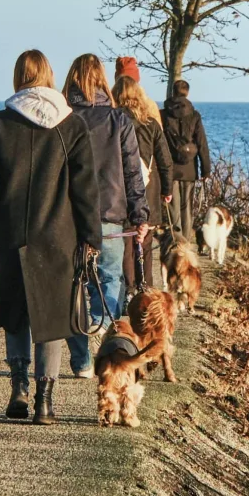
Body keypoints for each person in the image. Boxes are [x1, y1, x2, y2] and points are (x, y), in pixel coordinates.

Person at [0, 50, 101, 423]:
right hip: (59, 235)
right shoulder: (71, 125)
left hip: (12, 232)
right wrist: (89, 235)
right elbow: (85, 189)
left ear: (18, 77)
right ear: (48, 76)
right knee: (51, 317)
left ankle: (18, 389)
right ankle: (45, 399)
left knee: (16, 313)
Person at [60, 53, 148, 376]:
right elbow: (132, 174)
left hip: (69, 216)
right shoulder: (119, 121)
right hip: (110, 216)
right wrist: (140, 216)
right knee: (109, 280)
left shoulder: (63, 119)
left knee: (72, 286)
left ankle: (81, 358)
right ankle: (102, 335)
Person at [112, 58, 172, 290]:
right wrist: (166, 190)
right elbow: (165, 160)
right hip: (148, 189)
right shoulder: (151, 123)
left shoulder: (112, 121)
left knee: (126, 242)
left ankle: (128, 291)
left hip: (121, 188)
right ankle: (146, 289)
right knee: (145, 244)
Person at [160, 76, 211, 240]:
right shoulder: (195, 115)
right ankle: (187, 241)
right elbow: (202, 144)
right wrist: (206, 170)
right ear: (187, 93)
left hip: (170, 168)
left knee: (173, 207)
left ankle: (176, 240)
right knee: (187, 207)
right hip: (189, 168)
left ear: (173, 92)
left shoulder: (163, 114)